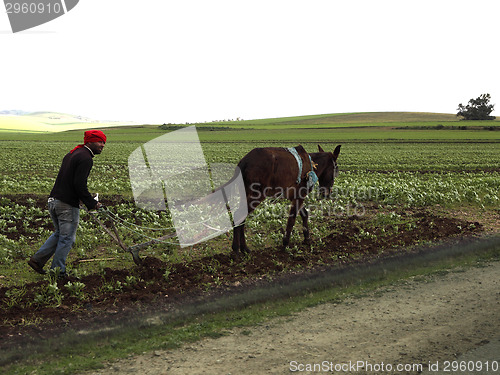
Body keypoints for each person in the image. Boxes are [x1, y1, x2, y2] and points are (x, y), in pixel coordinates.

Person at [28, 130, 107, 278]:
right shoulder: (86, 158)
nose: (102, 145)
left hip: (54, 200)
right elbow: (79, 184)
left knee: (60, 234)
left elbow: (72, 182)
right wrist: (92, 203)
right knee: (67, 238)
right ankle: (58, 272)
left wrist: (86, 199)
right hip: (66, 204)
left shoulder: (73, 154)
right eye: (99, 142)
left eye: (103, 142)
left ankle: (37, 261)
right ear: (89, 141)